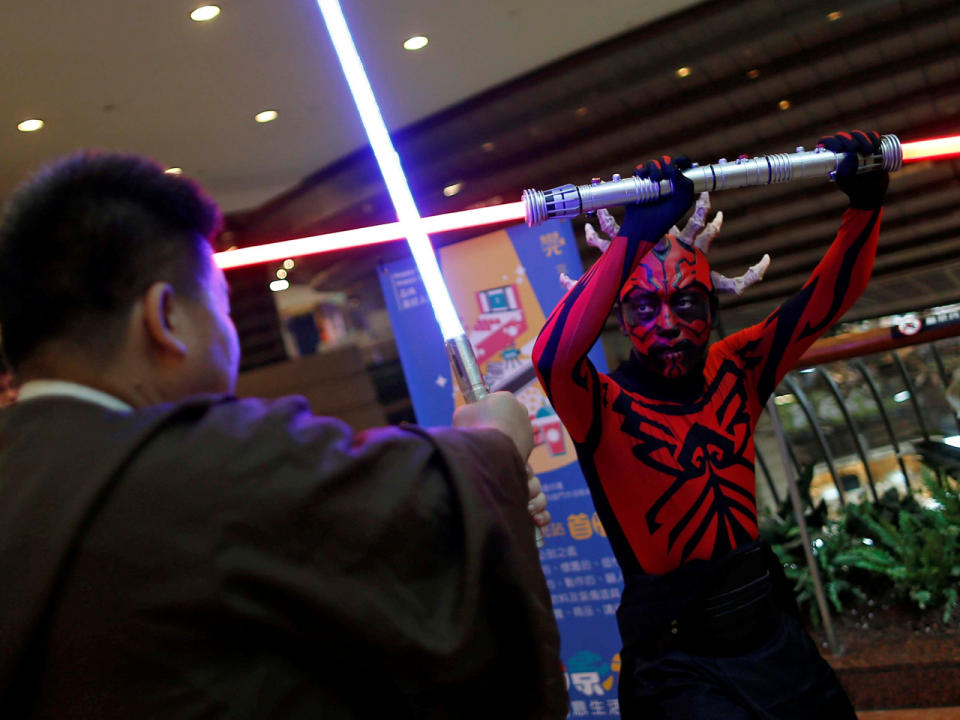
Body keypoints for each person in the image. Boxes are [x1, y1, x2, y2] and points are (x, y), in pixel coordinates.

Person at [0, 151, 567, 719]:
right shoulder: (209, 467)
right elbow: (430, 516)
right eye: (220, 308)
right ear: (165, 318)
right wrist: (494, 443)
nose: (229, 336)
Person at [533, 130, 888, 718]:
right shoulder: (601, 402)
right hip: (680, 663)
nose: (667, 323)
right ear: (620, 316)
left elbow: (823, 301)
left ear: (713, 307)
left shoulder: (737, 370)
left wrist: (866, 207)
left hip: (770, 632)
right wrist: (634, 235)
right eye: (645, 307)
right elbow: (552, 358)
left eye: (687, 304)